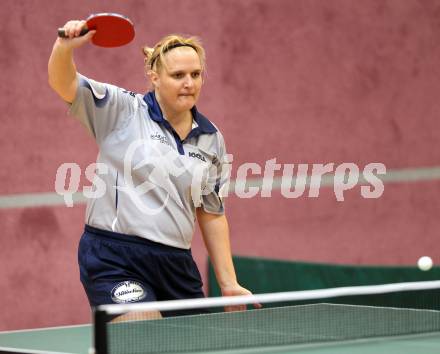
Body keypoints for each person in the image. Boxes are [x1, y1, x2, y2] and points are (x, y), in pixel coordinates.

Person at [48, 20, 258, 315]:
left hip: (175, 264)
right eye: (178, 75)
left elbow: (211, 212)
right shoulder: (122, 109)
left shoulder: (211, 138)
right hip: (115, 255)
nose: (189, 83)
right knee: (142, 327)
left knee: (196, 345)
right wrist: (63, 48)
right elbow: (64, 83)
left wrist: (229, 283)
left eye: (196, 74)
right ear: (154, 77)